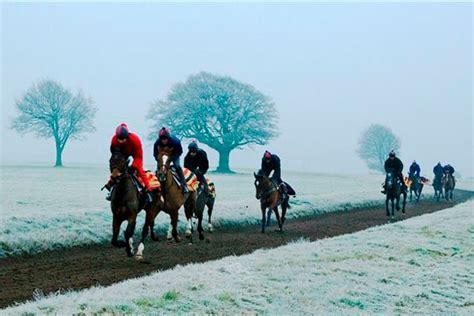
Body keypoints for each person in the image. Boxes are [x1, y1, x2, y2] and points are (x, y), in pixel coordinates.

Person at [105, 123, 152, 202]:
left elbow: (138, 157)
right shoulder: (114, 140)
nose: (121, 141)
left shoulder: (135, 139)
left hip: (135, 153)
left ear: (127, 136)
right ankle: (110, 186)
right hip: (122, 154)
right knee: (116, 169)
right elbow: (114, 154)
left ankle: (148, 189)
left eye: (123, 139)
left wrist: (133, 166)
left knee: (139, 170)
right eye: (119, 139)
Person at [153, 127, 188, 193]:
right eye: (162, 139)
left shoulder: (176, 142)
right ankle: (156, 186)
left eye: (165, 139)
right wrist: (159, 160)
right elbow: (155, 154)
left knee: (177, 166)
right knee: (159, 169)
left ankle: (184, 185)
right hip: (163, 157)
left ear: (168, 138)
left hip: (174, 156)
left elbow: (180, 152)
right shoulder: (156, 143)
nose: (164, 141)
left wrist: (171, 159)